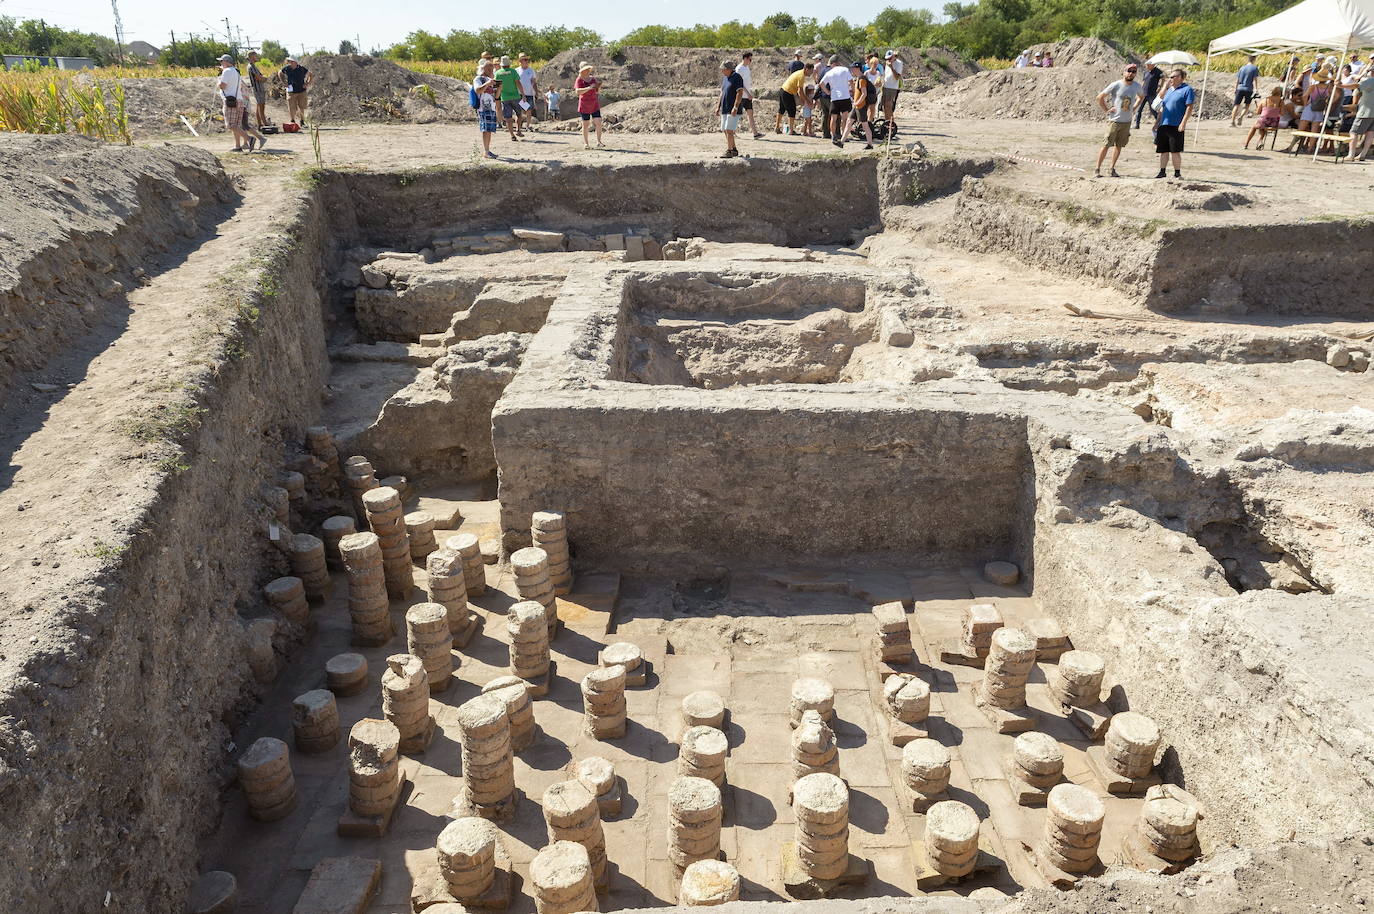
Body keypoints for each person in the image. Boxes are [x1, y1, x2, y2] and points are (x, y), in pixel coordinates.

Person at [1094, 63, 1143, 177]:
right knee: (1106, 144)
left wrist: (1134, 108)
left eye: (1133, 71)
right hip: (1115, 120)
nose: (1131, 73)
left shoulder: (1136, 86)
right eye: (1129, 71)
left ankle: (1111, 168)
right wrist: (1107, 109)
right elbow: (1099, 97)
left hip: (1127, 121)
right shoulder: (1116, 84)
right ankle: (1097, 168)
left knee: (1119, 145)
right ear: (1124, 72)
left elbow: (1141, 97)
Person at [1153, 68, 1195, 178]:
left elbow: (1189, 107)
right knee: (1163, 150)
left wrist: (1183, 123)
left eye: (1173, 76)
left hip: (1176, 124)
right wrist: (1157, 122)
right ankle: (1162, 172)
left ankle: (1177, 173)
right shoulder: (1169, 90)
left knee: (1175, 150)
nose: (1170, 79)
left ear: (1181, 78)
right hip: (1164, 123)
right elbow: (1160, 101)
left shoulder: (1187, 89)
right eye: (1170, 77)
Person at [216, 55, 249, 151]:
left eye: (222, 61)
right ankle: (237, 146)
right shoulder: (236, 71)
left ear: (226, 62)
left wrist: (218, 82)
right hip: (239, 100)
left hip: (231, 101)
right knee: (236, 125)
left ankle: (249, 139)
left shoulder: (226, 71)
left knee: (230, 124)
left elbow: (222, 86)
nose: (221, 63)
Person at [821, 54, 853, 148]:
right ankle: (844, 136)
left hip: (834, 97)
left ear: (833, 63)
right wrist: (853, 92)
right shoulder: (845, 69)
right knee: (844, 119)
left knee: (833, 119)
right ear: (838, 63)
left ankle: (833, 136)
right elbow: (851, 82)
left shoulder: (829, 72)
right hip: (845, 96)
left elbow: (821, 83)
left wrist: (828, 92)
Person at [472, 58, 501, 159]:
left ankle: (487, 150)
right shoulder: (478, 79)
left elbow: (496, 97)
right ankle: (486, 151)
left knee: (489, 129)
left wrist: (499, 88)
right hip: (483, 108)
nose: (491, 70)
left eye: (492, 68)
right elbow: (478, 90)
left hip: (491, 107)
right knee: (486, 129)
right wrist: (487, 84)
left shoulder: (490, 80)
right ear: (483, 68)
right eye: (489, 68)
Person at [718, 60, 745, 158]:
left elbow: (740, 92)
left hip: (733, 108)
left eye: (723, 69)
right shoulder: (726, 78)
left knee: (729, 130)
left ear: (729, 69)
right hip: (725, 108)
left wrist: (735, 107)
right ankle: (733, 149)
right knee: (725, 129)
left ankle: (729, 151)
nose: (722, 71)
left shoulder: (737, 77)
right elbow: (722, 93)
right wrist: (718, 106)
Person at [574, 62, 604, 149]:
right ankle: (586, 143)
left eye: (588, 69)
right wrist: (588, 88)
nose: (587, 71)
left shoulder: (593, 79)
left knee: (598, 122)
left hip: (594, 103)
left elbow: (597, 91)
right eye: (585, 69)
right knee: (585, 124)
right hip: (584, 104)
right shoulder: (579, 80)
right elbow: (578, 91)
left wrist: (597, 87)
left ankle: (599, 141)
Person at [847, 61, 875, 149]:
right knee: (849, 122)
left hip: (861, 106)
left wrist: (857, 102)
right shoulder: (858, 79)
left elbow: (864, 94)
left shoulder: (862, 79)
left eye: (853, 69)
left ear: (857, 69)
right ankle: (841, 142)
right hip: (857, 105)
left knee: (865, 125)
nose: (851, 70)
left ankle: (870, 144)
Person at [777, 62, 810, 134]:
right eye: (811, 71)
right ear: (807, 69)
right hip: (787, 92)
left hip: (783, 89)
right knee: (792, 110)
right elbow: (800, 91)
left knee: (781, 109)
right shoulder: (801, 76)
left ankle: (776, 127)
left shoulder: (799, 73)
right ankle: (791, 131)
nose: (811, 73)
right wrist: (804, 101)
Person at [494, 56, 523, 140]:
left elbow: (496, 86)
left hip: (505, 98)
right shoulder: (513, 72)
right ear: (509, 64)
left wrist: (496, 97)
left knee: (508, 118)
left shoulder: (498, 73)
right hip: (515, 96)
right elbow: (518, 83)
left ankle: (512, 135)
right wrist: (523, 94)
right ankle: (518, 129)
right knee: (519, 114)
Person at [736, 51, 763, 139]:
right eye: (749, 59)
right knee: (736, 115)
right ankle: (732, 132)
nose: (750, 61)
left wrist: (749, 93)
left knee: (750, 113)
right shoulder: (739, 69)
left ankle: (755, 133)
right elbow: (739, 83)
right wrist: (748, 93)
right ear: (745, 58)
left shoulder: (747, 68)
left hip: (747, 96)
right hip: (740, 95)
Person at [1349, 66, 1374, 160]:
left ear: (1371, 72)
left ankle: (1351, 154)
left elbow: (1357, 86)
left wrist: (1341, 85)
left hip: (1365, 111)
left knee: (1354, 132)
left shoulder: (1370, 80)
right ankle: (1363, 154)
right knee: (1370, 133)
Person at [281, 56, 311, 125]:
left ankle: (302, 121)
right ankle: (292, 120)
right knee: (291, 107)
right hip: (291, 91)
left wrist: (307, 83)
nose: (289, 63)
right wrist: (284, 82)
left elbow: (310, 75)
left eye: (291, 61)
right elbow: (280, 73)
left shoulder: (302, 69)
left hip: (301, 91)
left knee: (301, 107)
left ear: (295, 62)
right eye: (289, 61)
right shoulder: (287, 68)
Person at [1232, 54, 1261, 126]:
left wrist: (1236, 88)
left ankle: (1232, 121)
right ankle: (1241, 117)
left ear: (1248, 59)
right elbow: (1255, 80)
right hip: (1249, 89)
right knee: (1247, 105)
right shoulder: (1254, 68)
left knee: (1236, 105)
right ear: (1254, 60)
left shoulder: (1242, 68)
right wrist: (1256, 89)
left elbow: (1238, 80)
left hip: (1240, 88)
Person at [882, 49, 904, 135]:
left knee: (889, 105)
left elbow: (897, 77)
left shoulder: (898, 63)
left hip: (892, 87)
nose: (888, 60)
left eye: (890, 58)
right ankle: (887, 123)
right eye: (887, 59)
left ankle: (892, 125)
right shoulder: (887, 63)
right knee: (884, 107)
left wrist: (891, 67)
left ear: (894, 57)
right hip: (885, 86)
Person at [1136, 61, 1163, 129]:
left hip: (1151, 94)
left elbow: (1163, 79)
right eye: (1146, 64)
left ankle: (1160, 122)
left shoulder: (1158, 72)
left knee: (1153, 110)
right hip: (1143, 93)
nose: (1147, 66)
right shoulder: (1146, 72)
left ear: (1153, 64)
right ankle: (1137, 125)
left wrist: (1160, 87)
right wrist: (1139, 91)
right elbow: (1143, 82)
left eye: (1148, 64)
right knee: (1139, 109)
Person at [246, 51, 270, 129]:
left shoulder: (253, 66)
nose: (257, 57)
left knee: (258, 106)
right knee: (261, 106)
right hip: (257, 89)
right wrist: (266, 79)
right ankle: (265, 124)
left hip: (258, 88)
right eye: (256, 56)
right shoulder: (251, 66)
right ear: (252, 57)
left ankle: (260, 124)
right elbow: (258, 77)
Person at [516, 54, 539, 131]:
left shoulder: (531, 70)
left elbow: (534, 82)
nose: (527, 61)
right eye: (525, 60)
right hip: (519, 94)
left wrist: (536, 92)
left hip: (529, 93)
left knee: (528, 110)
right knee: (520, 110)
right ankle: (519, 125)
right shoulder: (516, 71)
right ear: (520, 61)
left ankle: (528, 126)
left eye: (527, 60)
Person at [813, 53, 832, 139]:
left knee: (825, 114)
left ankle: (826, 133)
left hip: (822, 95)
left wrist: (815, 97)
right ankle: (836, 133)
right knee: (834, 115)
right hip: (830, 95)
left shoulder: (822, 69)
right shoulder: (831, 70)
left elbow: (819, 82)